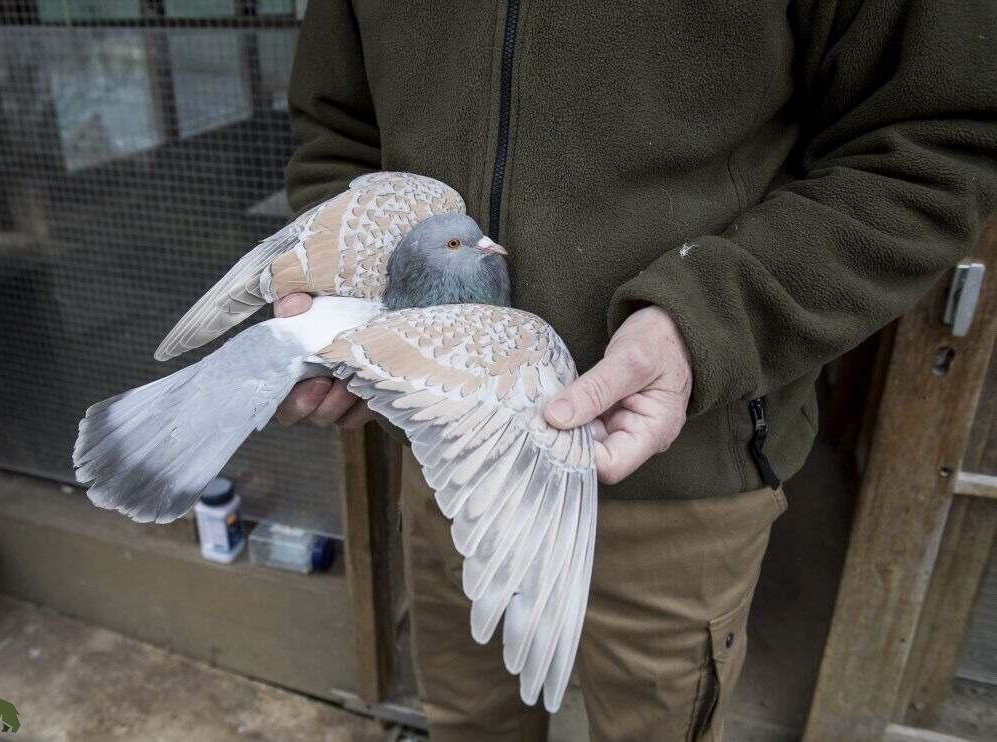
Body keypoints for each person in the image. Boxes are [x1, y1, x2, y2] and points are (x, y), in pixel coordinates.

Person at [271, 3, 997, 740]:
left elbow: (929, 149)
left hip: (677, 471)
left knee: (650, 726)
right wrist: (358, 295)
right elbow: (339, 131)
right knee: (466, 718)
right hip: (447, 455)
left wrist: (709, 322)